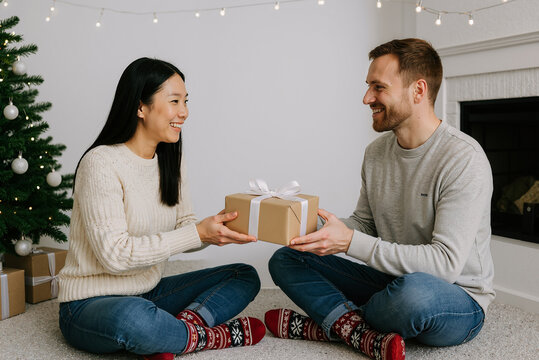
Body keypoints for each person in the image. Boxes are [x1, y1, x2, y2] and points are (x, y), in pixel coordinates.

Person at [265, 39, 494, 360]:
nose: (366, 98)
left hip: (455, 297)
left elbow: (445, 266)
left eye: (378, 87)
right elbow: (365, 224)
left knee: (412, 296)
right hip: (392, 280)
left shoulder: (462, 158)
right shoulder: (376, 153)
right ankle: (359, 331)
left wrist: (347, 243)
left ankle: (330, 323)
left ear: (418, 91)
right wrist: (306, 222)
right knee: (286, 259)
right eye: (367, 86)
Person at [57, 58, 266, 360]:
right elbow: (115, 256)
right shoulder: (100, 163)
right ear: (141, 107)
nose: (184, 112)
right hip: (89, 303)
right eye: (174, 101)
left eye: (185, 101)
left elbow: (185, 225)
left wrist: (214, 231)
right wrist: (196, 233)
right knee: (134, 318)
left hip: (147, 291)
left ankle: (172, 334)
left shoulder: (169, 158)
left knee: (244, 275)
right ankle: (206, 336)